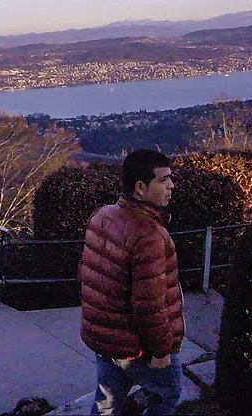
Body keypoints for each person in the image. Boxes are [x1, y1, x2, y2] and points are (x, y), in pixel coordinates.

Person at [79, 149, 184, 416]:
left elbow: (88, 276)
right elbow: (149, 305)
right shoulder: (149, 235)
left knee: (106, 405)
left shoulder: (103, 215)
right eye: (163, 180)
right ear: (140, 187)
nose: (171, 186)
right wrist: (161, 350)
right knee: (167, 395)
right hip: (139, 349)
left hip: (106, 342)